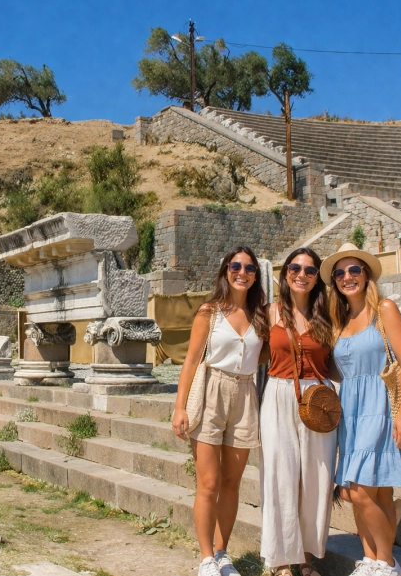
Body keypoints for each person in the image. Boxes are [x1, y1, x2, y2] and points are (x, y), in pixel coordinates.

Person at [322, 243, 401, 576]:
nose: (347, 277)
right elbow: (339, 372)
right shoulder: (339, 321)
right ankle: (371, 559)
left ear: (366, 274)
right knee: (368, 491)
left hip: (380, 406)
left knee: (358, 491)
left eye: (354, 270)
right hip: (351, 410)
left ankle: (387, 563)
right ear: (334, 282)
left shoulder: (385, 309)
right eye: (340, 273)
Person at [172, 247, 269, 576]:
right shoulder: (208, 312)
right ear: (226, 270)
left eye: (249, 267)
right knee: (209, 484)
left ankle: (222, 552)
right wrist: (179, 406)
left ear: (256, 274)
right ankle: (205, 559)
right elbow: (191, 359)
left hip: (246, 394)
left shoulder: (260, 314)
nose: (242, 272)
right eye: (236, 266)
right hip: (212, 390)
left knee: (231, 483)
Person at [259, 248, 336, 576]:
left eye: (309, 270)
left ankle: (305, 557)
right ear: (285, 272)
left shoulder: (328, 315)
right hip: (278, 395)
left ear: (317, 277)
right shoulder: (269, 313)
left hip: (319, 399)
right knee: (280, 474)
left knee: (317, 477)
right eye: (295, 267)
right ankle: (279, 561)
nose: (301, 275)